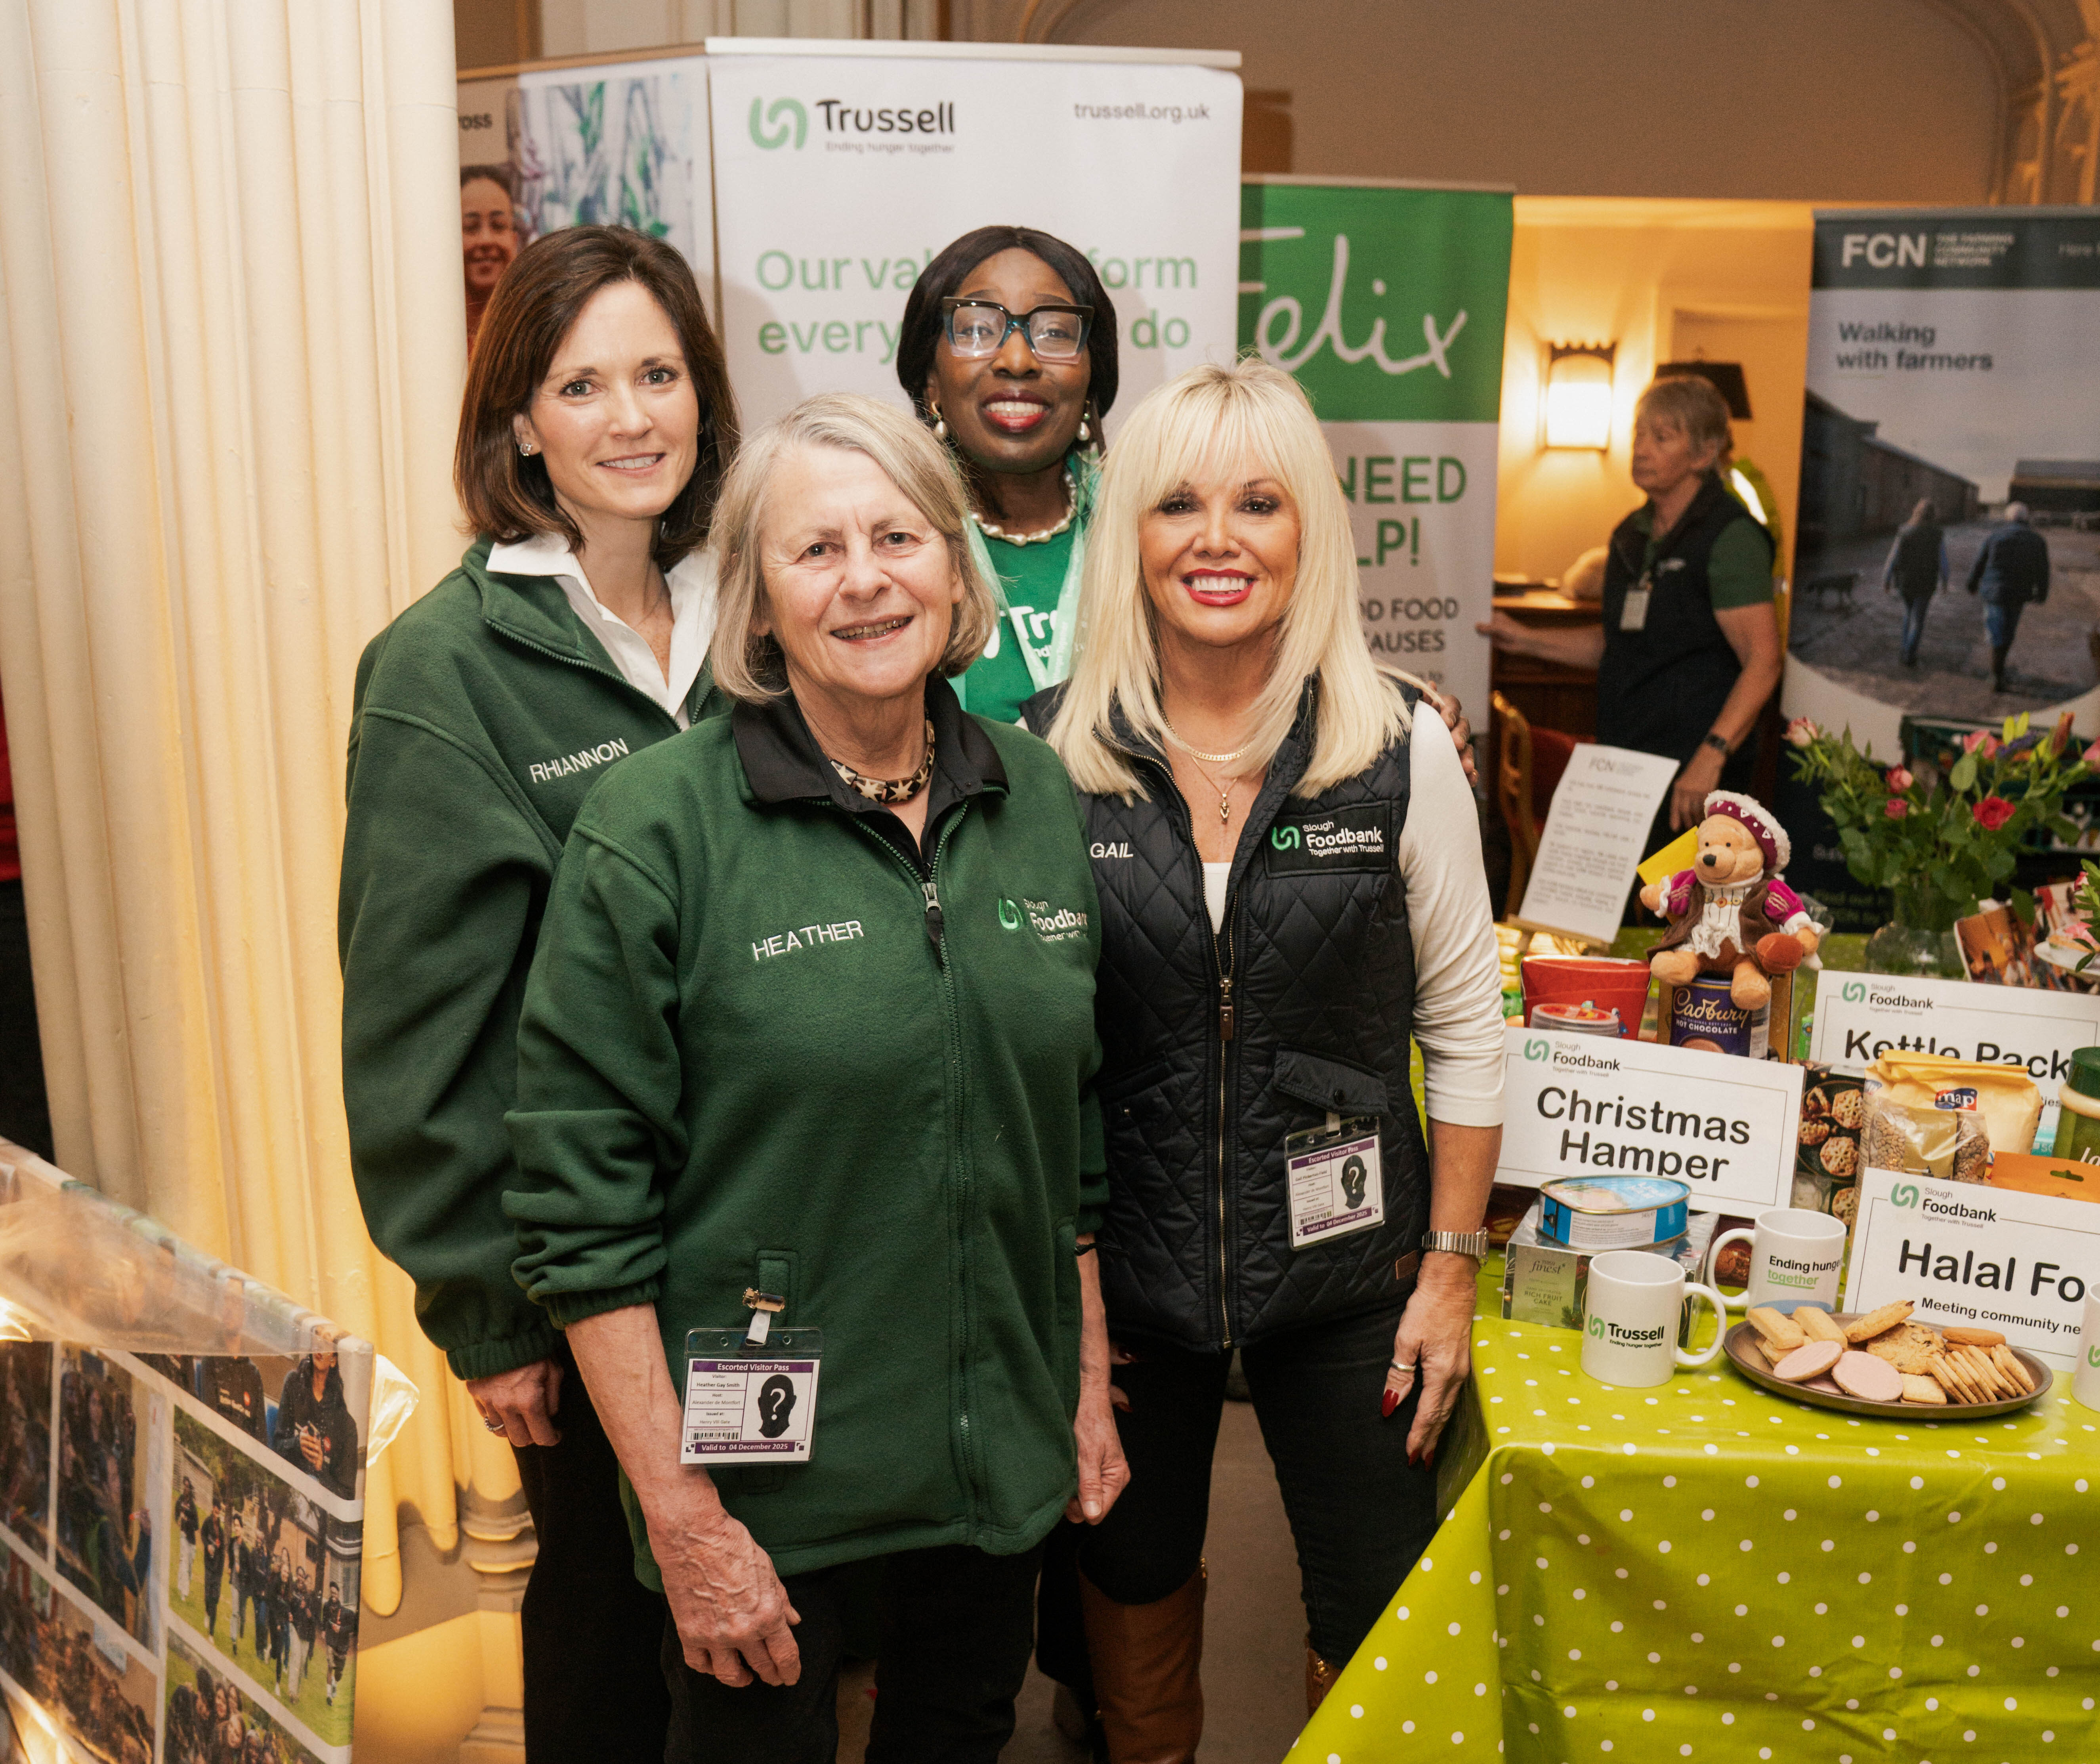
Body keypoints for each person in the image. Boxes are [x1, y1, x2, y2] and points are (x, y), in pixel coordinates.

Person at [504, 392, 1124, 1764]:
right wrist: (680, 1516)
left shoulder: (1033, 801)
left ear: (954, 568)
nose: (864, 579)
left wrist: (1080, 1385)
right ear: (758, 601)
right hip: (760, 1488)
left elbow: (1065, 1135)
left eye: (899, 536)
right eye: (815, 550)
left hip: (989, 1468)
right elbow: (577, 1207)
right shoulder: (658, 827)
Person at [1029, 360, 1504, 1760]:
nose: (1217, 538)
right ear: (1129, 534)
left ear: (1313, 534)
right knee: (1125, 1582)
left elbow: (1468, 1025)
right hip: (1130, 1277)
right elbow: (1035, 1058)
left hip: (1357, 1282)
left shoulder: (1400, 745)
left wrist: (1451, 1269)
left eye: (1258, 502)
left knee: (1378, 1605)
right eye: (1177, 503)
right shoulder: (1049, 756)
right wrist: (1071, 1310)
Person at [340, 223, 737, 1762]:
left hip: (774, 1239)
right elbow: (413, 1026)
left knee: (763, 1626)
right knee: (606, 1639)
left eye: (658, 372)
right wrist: (487, 1308)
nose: (631, 417)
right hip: (590, 1278)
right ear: (517, 420)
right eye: (583, 384)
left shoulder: (757, 621)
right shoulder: (442, 669)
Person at [1479, 374, 1779, 848]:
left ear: (1703, 454)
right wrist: (1527, 639)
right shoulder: (1629, 535)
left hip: (1692, 773)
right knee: (1614, 910)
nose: (1640, 448)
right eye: (1638, 433)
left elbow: (1763, 661)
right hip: (1625, 762)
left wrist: (1711, 755)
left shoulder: (1730, 538)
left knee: (1684, 913)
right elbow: (1619, 644)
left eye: (1661, 437)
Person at [1966, 500, 2050, 692]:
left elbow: (1980, 562)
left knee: (1996, 631)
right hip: (2019, 594)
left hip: (1994, 592)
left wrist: (1972, 584)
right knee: (2009, 631)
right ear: (2025, 518)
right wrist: (2042, 593)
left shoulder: (1995, 537)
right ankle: (1999, 670)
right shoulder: (2037, 540)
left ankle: (1996, 674)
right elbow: (2043, 570)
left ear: (2008, 518)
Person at [270, 1349, 358, 1499]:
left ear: (333, 1360)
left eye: (327, 1342)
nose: (320, 1347)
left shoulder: (346, 1425)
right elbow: (277, 1447)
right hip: (287, 1490)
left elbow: (347, 1496)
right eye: (318, 1337)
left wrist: (320, 1468)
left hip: (317, 1505)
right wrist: (297, 1444)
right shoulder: (294, 1383)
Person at [1883, 496, 1949, 670]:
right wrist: (1945, 581)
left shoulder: (1904, 531)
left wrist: (1887, 578)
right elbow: (1943, 561)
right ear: (1933, 515)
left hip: (1905, 582)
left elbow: (1893, 557)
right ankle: (1909, 654)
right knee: (1918, 619)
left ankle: (1905, 648)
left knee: (1909, 614)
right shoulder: (1937, 534)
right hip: (1926, 583)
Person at [461, 165, 521, 353]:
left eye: (499, 225)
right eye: (471, 227)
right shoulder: (425, 336)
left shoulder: (535, 334)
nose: (486, 240)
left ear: (514, 241)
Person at [200, 1499, 226, 1638]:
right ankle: (207, 1612)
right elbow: (203, 1535)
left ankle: (211, 1633)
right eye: (217, 1510)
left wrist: (221, 1571)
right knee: (208, 1595)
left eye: (220, 1511)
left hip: (218, 1569)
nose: (218, 1512)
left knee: (215, 1600)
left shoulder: (221, 1530)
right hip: (208, 1565)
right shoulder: (207, 1522)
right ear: (213, 1508)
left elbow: (222, 1550)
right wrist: (208, 1546)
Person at [175, 1477, 199, 1599]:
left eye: (188, 1487)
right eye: (184, 1486)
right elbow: (176, 1510)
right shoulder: (180, 1500)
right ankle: (183, 1592)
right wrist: (178, 1519)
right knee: (184, 1562)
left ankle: (181, 1585)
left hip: (192, 1540)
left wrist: (187, 1520)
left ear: (190, 1489)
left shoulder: (193, 1506)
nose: (185, 1488)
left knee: (189, 1568)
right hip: (183, 1536)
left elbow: (197, 1526)